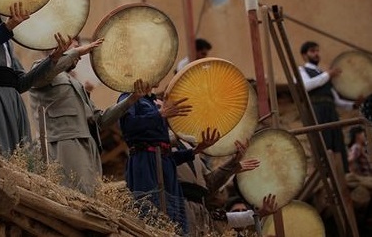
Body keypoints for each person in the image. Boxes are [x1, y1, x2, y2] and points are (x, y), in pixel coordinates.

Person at [29, 39, 146, 196]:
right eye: (76, 47)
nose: (80, 53)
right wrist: (74, 53)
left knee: (89, 198)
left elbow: (100, 120)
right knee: (72, 197)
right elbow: (43, 75)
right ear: (59, 45)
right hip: (64, 145)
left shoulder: (76, 84)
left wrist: (130, 100)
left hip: (88, 147)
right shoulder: (40, 67)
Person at [0, 0, 75, 155]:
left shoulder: (6, 36)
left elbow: (22, 82)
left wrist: (53, 59)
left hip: (14, 103)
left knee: (22, 158)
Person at [118, 85, 218, 233]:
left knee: (174, 222)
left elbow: (167, 155)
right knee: (150, 216)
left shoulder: (154, 102)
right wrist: (159, 114)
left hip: (166, 170)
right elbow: (128, 126)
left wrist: (196, 150)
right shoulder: (130, 97)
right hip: (145, 165)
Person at [175, 137, 261, 235]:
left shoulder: (189, 146)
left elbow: (209, 185)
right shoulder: (164, 143)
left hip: (199, 214)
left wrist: (233, 162)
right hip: (178, 209)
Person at [299, 41, 357, 172]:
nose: (316, 54)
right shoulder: (302, 70)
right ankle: (325, 174)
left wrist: (354, 104)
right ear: (304, 55)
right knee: (322, 141)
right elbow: (306, 86)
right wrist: (328, 75)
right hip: (316, 111)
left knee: (336, 141)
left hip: (330, 111)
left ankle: (339, 173)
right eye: (312, 51)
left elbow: (335, 100)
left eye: (317, 51)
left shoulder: (323, 74)